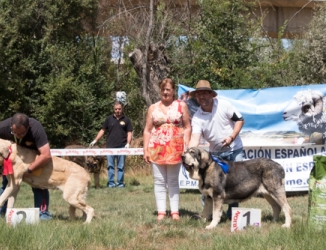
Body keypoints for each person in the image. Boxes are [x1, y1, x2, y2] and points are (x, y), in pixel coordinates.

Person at [188, 80, 245, 220]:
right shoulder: (197, 117)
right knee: (207, 184)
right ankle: (208, 215)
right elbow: (195, 140)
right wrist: (188, 154)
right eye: (199, 94)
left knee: (235, 184)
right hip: (215, 154)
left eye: (204, 93)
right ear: (196, 97)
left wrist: (231, 137)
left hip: (234, 149)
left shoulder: (224, 105)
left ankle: (233, 216)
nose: (202, 97)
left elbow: (240, 120)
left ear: (211, 95)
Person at [143, 78, 192, 221]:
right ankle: (161, 212)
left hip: (176, 148)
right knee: (159, 180)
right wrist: (145, 149)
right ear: (160, 91)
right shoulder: (153, 108)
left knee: (173, 180)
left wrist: (186, 144)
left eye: (168, 89)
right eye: (163, 89)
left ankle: (175, 212)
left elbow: (188, 126)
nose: (165, 92)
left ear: (173, 91)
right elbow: (147, 130)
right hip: (156, 148)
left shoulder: (181, 105)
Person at [0, 113, 53, 220]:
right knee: (6, 184)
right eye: (14, 133)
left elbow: (46, 155)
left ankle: (43, 214)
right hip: (12, 161)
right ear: (11, 126)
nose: (18, 136)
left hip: (33, 160)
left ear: (28, 127)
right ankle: (1, 212)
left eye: (21, 133)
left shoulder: (36, 129)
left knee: (39, 185)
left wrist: (29, 170)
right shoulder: (3, 127)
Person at [90, 102, 133, 188]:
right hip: (110, 146)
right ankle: (111, 184)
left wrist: (128, 143)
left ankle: (120, 184)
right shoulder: (109, 119)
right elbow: (102, 130)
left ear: (122, 109)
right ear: (114, 109)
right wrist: (95, 140)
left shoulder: (126, 120)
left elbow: (129, 132)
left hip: (122, 146)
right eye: (116, 109)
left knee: (120, 166)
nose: (117, 111)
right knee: (110, 166)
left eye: (119, 109)